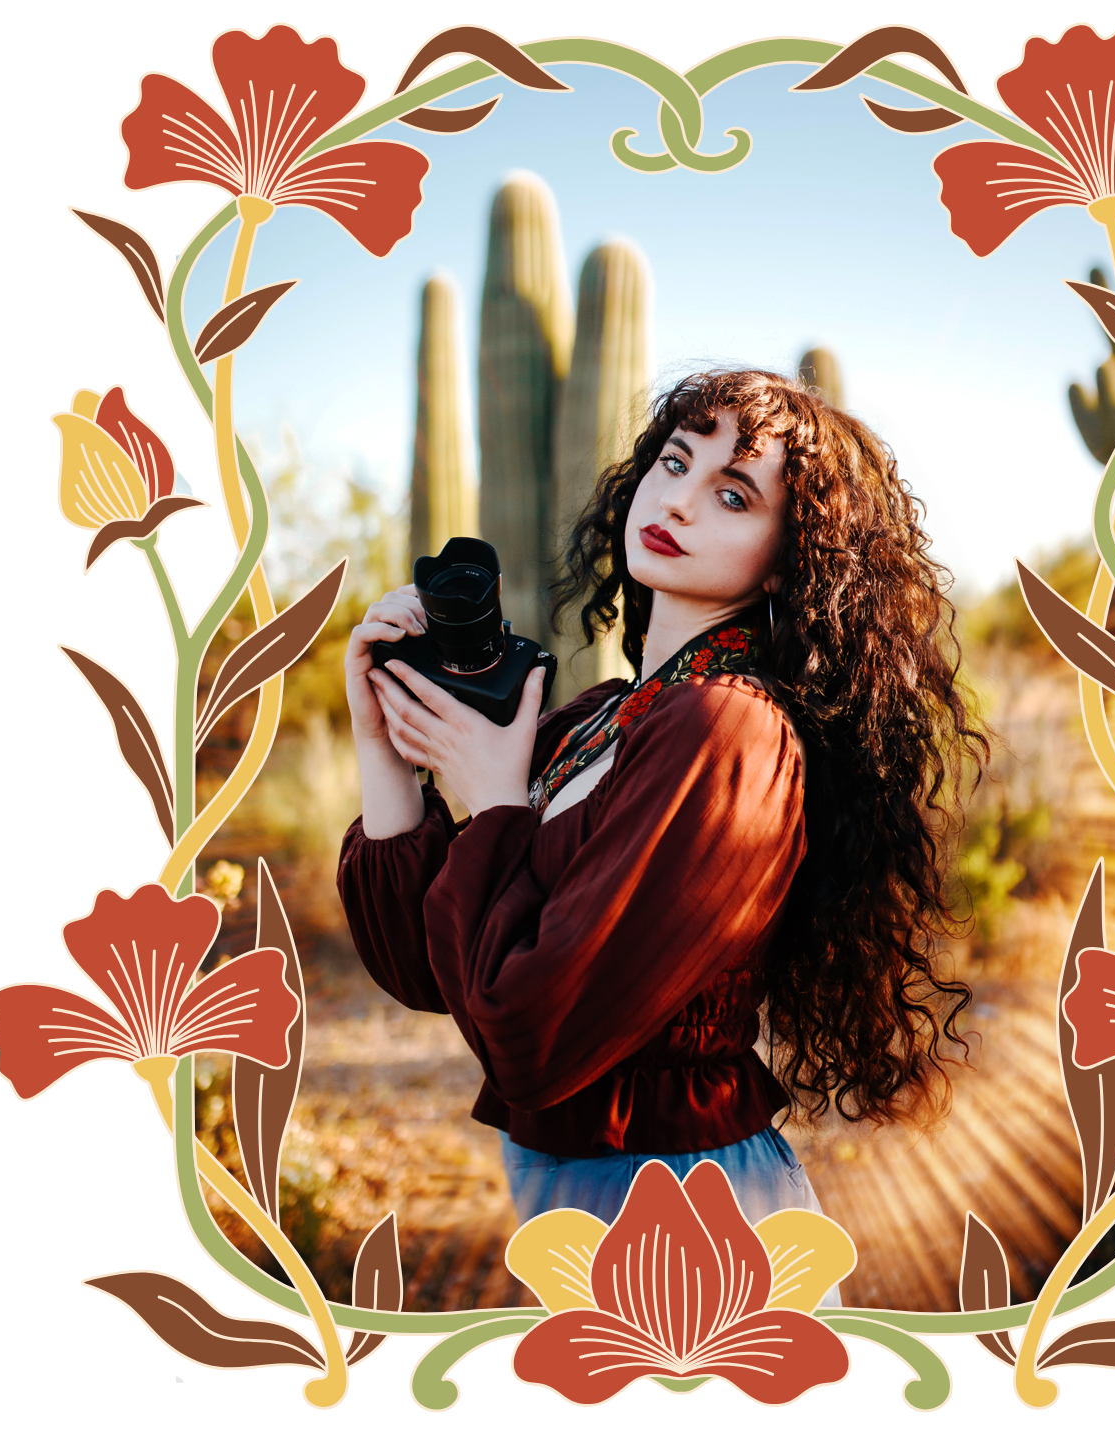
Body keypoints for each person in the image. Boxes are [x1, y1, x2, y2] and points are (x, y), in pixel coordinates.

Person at [337, 370, 987, 1267]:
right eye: (674, 461)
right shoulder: (603, 716)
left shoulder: (728, 729)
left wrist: (492, 800)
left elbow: (530, 1038)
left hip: (691, 1206)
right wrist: (385, 750)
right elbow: (424, 967)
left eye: (731, 494)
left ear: (789, 555)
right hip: (584, 1203)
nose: (678, 501)